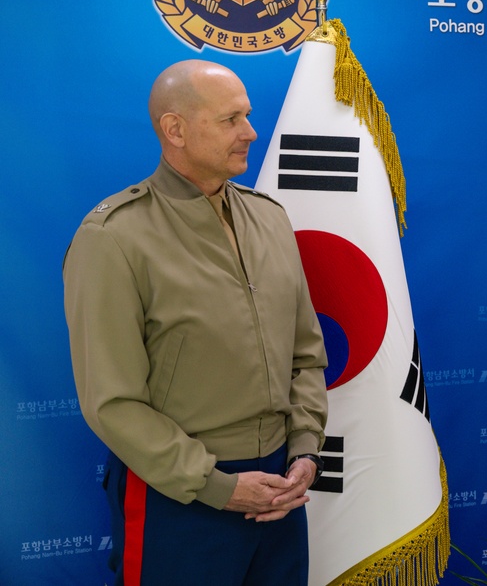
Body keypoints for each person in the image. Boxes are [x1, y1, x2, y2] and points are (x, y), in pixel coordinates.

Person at [64, 60, 329, 585]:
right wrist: (216, 485)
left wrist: (304, 449)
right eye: (231, 119)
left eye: (248, 116)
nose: (251, 132)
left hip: (279, 490)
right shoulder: (114, 238)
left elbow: (305, 353)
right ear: (175, 129)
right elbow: (112, 402)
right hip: (178, 494)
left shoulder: (269, 219)